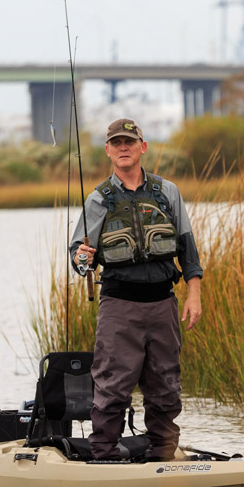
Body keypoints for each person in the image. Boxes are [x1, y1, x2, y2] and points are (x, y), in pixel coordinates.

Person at [69, 118, 202, 462]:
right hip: (119, 307)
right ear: (108, 152)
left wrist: (194, 293)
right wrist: (81, 258)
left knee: (166, 388)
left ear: (143, 147)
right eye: (116, 143)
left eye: (129, 142)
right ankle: (105, 455)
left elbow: (188, 248)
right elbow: (78, 259)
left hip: (163, 305)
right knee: (112, 386)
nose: (123, 148)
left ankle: (162, 455)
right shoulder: (99, 199)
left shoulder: (166, 192)